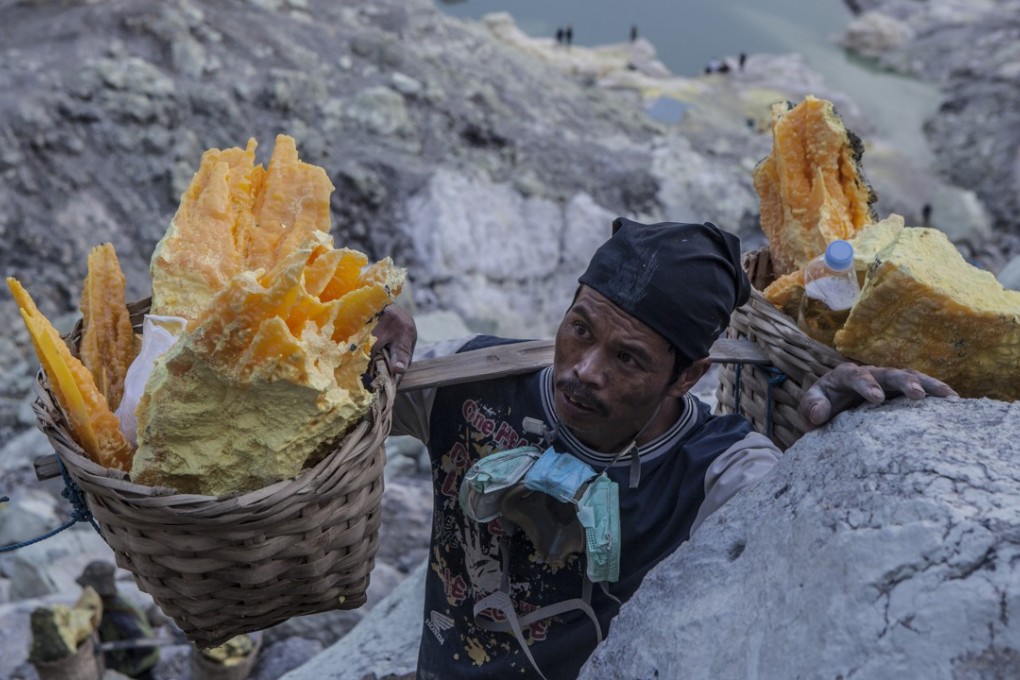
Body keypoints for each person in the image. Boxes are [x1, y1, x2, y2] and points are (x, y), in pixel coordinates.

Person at [373, 218, 955, 679]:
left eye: (628, 358)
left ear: (687, 375)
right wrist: (356, 345)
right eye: (580, 328)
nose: (584, 371)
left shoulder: (718, 473)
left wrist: (837, 439)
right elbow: (331, 413)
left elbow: (814, 545)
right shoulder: (471, 377)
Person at [75, 560, 160, 679]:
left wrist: (121, 661)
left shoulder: (116, 614)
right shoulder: (107, 604)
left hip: (139, 668)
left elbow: (144, 645)